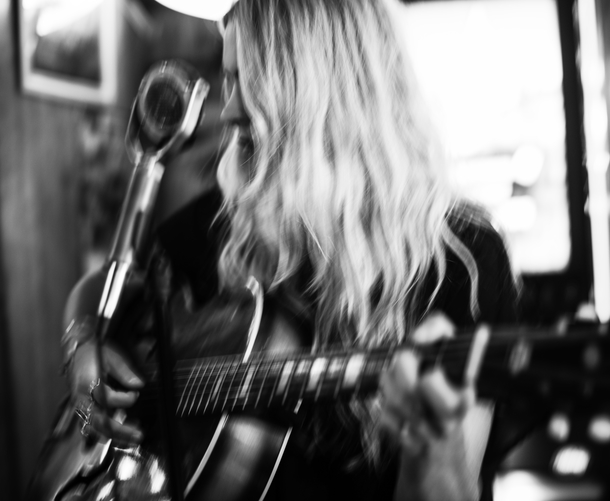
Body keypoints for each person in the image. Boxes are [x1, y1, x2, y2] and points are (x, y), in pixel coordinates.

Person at [60, 1, 519, 500]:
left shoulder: (459, 259)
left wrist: (432, 444)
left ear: (322, 90)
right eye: (229, 79)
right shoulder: (222, 222)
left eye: (250, 81)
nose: (230, 108)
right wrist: (83, 343)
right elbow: (107, 286)